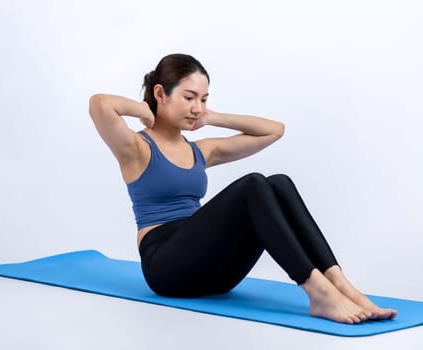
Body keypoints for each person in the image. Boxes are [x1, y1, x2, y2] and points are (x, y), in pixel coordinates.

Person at [88, 53, 397, 324]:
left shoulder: (200, 151)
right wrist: (144, 111)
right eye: (189, 97)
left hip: (214, 272)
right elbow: (100, 104)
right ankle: (317, 292)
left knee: (278, 183)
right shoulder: (137, 149)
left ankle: (341, 284)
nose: (197, 107)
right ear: (161, 93)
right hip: (166, 267)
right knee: (252, 186)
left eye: (204, 99)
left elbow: (274, 130)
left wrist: (213, 117)